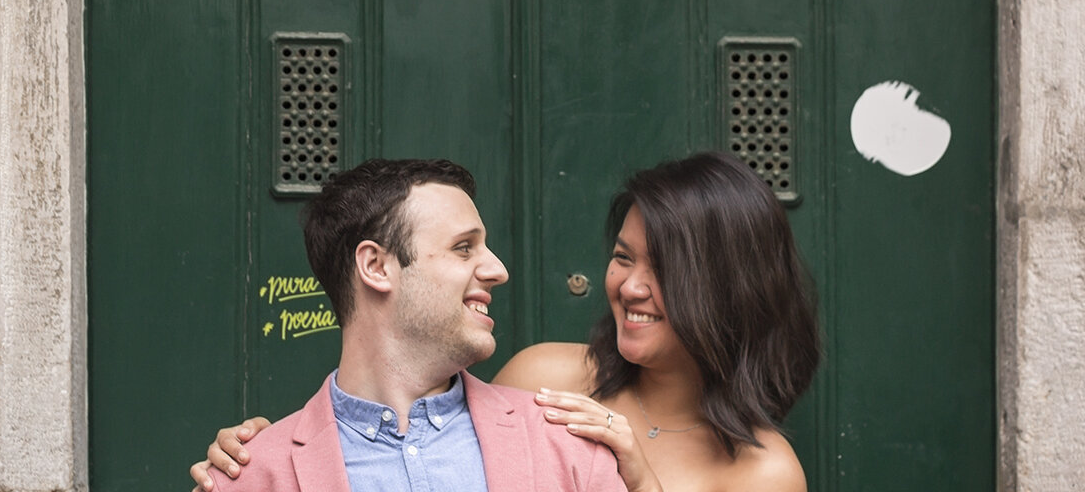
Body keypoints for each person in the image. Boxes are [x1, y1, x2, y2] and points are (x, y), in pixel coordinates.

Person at [194, 152, 821, 492]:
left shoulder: (763, 471)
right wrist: (259, 458)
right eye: (623, 258)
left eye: (664, 270)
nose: (630, 287)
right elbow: (399, 396)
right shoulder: (546, 380)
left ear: (725, 286)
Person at [202, 158, 625, 492]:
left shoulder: (568, 450)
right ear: (376, 266)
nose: (497, 269)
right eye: (463, 248)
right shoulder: (249, 476)